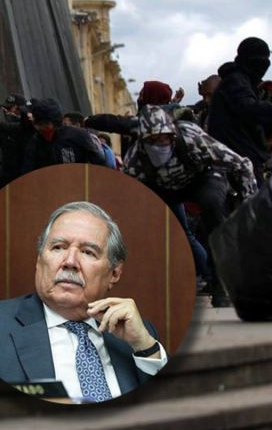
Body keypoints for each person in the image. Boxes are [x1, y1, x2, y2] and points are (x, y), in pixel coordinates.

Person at [0, 202, 167, 403]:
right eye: (58, 247)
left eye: (88, 252)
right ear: (39, 260)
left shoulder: (138, 338)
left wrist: (146, 349)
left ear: (114, 273)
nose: (70, 262)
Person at [122, 105, 257, 306]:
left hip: (203, 178)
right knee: (148, 225)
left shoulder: (192, 140)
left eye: (165, 139)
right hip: (164, 188)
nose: (160, 144)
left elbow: (242, 164)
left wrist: (249, 208)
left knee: (212, 207)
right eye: (153, 141)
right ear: (142, 142)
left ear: (172, 136)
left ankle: (221, 282)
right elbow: (126, 200)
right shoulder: (135, 161)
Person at [207, 37, 272, 179]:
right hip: (237, 158)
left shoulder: (241, 80)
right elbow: (248, 109)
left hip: (239, 156)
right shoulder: (236, 80)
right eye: (262, 59)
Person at [24, 98, 107, 171]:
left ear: (53, 122)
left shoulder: (78, 136)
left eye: (43, 123)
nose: (39, 127)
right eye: (37, 123)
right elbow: (28, 172)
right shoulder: (34, 143)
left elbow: (99, 163)